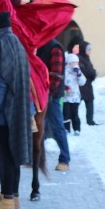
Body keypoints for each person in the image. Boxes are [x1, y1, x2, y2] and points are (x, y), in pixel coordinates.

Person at [0, 12, 32, 209]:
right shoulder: (16, 42)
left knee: (3, 157)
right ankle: (14, 197)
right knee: (14, 154)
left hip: (4, 113)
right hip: (18, 108)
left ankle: (7, 200)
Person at [38, 39, 71, 172]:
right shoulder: (41, 46)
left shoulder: (54, 47)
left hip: (51, 95)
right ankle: (38, 157)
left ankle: (64, 159)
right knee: (40, 127)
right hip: (42, 93)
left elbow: (57, 75)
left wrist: (48, 93)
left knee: (57, 127)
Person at [75, 40, 99, 126]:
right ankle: (74, 121)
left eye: (90, 49)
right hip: (81, 85)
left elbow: (90, 70)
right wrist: (93, 73)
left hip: (87, 85)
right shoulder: (79, 59)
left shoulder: (86, 58)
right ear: (83, 49)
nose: (90, 51)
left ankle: (90, 120)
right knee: (76, 103)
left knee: (89, 102)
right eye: (88, 49)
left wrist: (93, 72)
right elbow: (84, 71)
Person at [62, 53, 86, 136]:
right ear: (69, 63)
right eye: (73, 62)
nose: (75, 64)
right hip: (66, 97)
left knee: (75, 113)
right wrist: (64, 87)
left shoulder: (78, 71)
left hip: (75, 97)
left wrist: (79, 74)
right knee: (66, 113)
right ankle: (66, 128)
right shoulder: (64, 71)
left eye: (77, 63)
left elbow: (83, 82)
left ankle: (77, 129)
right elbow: (61, 81)